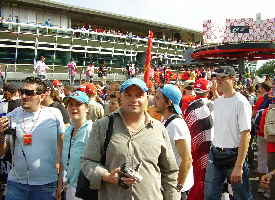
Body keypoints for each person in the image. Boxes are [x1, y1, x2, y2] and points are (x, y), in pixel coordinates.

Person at [81, 78, 180, 200]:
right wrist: (106, 176)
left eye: (139, 95)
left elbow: (170, 171)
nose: (134, 100)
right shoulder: (102, 126)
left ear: (147, 98)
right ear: (120, 97)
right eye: (128, 95)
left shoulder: (158, 128)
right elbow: (87, 162)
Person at [0, 77, 65, 200]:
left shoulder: (54, 114)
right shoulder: (12, 115)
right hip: (16, 184)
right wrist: (1, 135)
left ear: (42, 96)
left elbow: (63, 147)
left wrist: (61, 179)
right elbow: (1, 152)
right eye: (22, 91)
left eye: (29, 93)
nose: (23, 96)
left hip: (46, 184)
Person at [204, 66, 253, 200]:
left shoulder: (241, 102)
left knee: (242, 196)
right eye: (216, 78)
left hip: (234, 155)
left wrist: (239, 166)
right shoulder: (219, 101)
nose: (218, 81)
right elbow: (223, 103)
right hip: (215, 154)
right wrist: (215, 93)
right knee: (209, 196)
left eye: (222, 78)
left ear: (233, 79)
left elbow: (245, 135)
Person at [154, 84, 193, 200]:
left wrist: (178, 187)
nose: (154, 101)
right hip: (169, 185)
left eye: (158, 98)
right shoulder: (165, 120)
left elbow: (187, 159)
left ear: (169, 102)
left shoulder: (176, 125)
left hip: (176, 189)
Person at [183, 78, 213, 200]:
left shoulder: (189, 105)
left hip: (193, 147)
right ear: (208, 90)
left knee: (197, 176)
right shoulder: (213, 105)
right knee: (206, 177)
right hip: (211, 148)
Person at [62, 91, 92, 200]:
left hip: (85, 190)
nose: (73, 108)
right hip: (70, 188)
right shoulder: (68, 130)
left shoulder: (91, 131)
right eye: (70, 104)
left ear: (87, 108)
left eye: (78, 104)